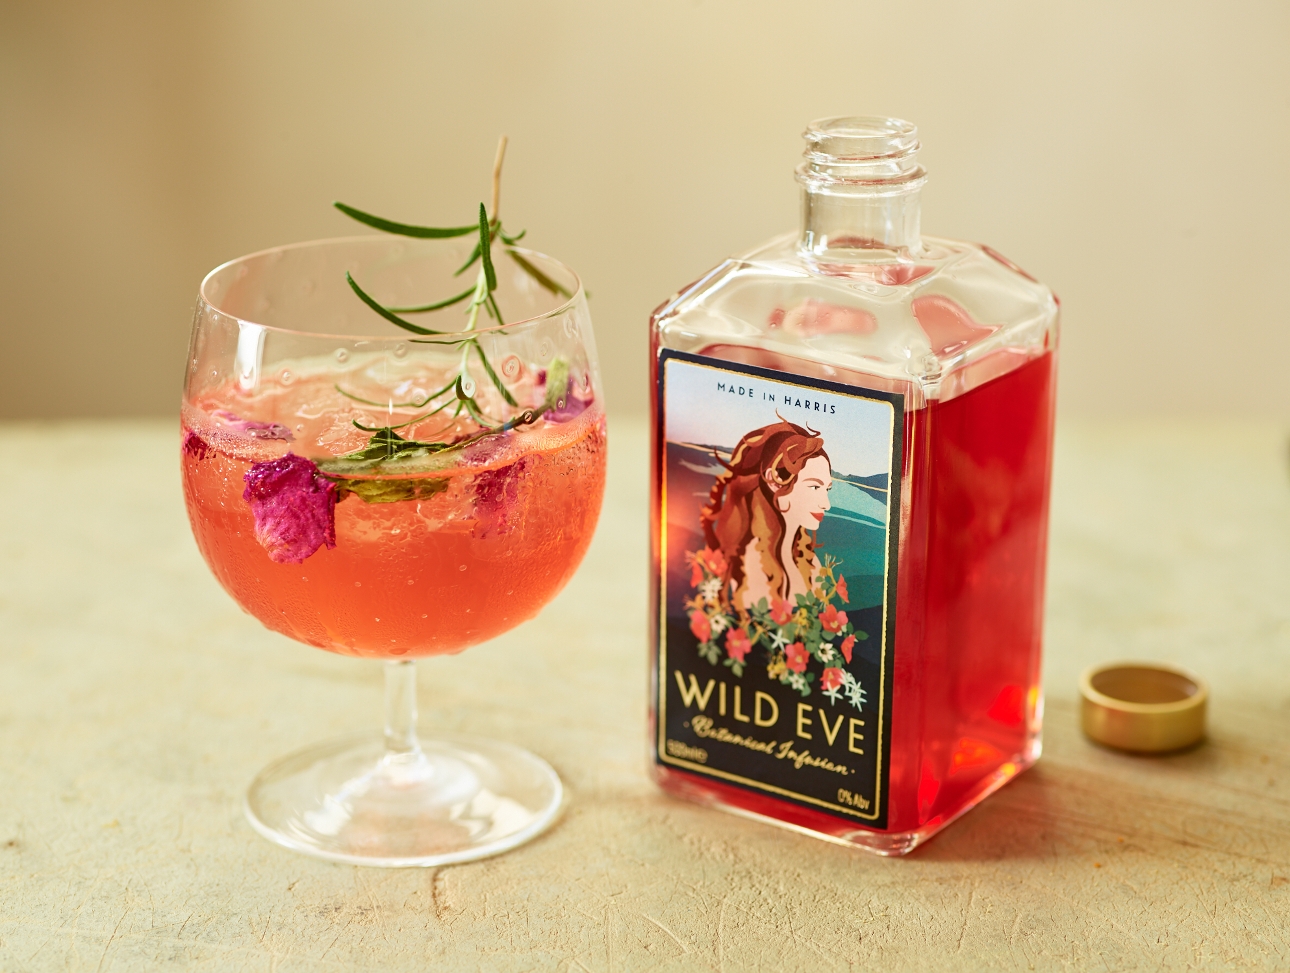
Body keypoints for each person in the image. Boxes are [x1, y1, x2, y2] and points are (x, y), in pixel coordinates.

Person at [700, 420, 833, 614]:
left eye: (827, 489)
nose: (826, 504)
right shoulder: (749, 566)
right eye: (814, 487)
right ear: (775, 481)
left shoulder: (810, 563)